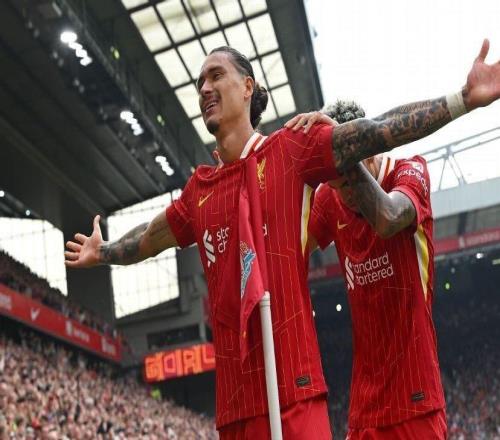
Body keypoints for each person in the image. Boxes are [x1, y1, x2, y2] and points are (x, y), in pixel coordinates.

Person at [65, 41, 500, 439]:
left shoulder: (291, 151)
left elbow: (378, 130)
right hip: (235, 411)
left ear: (247, 87)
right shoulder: (199, 192)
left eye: (216, 75)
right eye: (199, 83)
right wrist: (103, 252)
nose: (205, 88)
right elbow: (149, 237)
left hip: (296, 396)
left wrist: (463, 98)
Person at [287, 100, 446, 438]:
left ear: (371, 153)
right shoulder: (331, 198)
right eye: (336, 186)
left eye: (347, 183)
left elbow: (389, 219)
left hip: (416, 398)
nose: (344, 195)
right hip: (364, 407)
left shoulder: (409, 171)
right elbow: (288, 248)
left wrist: (347, 154)